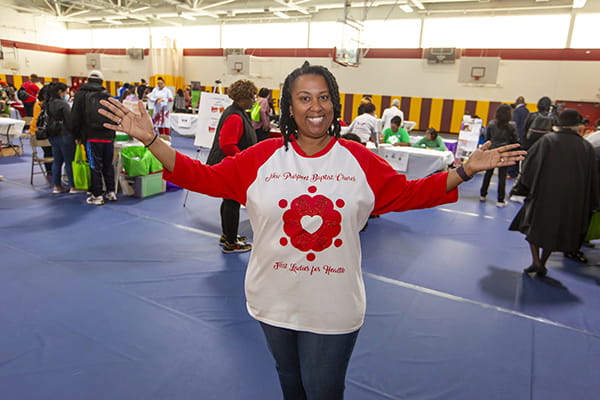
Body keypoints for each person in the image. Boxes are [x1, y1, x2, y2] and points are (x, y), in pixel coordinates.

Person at [98, 61, 524, 400]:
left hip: (333, 304)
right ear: (289, 106)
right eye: (304, 98)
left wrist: (465, 169)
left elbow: (410, 193)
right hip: (272, 299)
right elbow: (201, 177)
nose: (314, 107)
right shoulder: (261, 157)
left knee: (323, 390)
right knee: (289, 380)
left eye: (323, 97)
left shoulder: (358, 160)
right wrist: (154, 139)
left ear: (335, 105)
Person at [509, 109, 598, 277]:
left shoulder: (547, 141)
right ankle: (542, 261)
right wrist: (592, 202)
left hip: (544, 195)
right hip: (572, 200)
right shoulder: (586, 147)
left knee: (532, 228)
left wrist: (521, 187)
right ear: (578, 126)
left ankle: (535, 261)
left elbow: (530, 166)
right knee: (554, 233)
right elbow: (592, 178)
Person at [207, 79, 258, 253]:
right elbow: (227, 144)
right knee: (232, 202)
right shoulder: (235, 116)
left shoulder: (236, 112)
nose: (254, 100)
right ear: (244, 98)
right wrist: (243, 160)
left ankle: (227, 235)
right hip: (230, 166)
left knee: (229, 201)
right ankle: (230, 242)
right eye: (252, 97)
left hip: (228, 164)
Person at [71, 70, 115, 206]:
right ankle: (111, 191)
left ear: (87, 80)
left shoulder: (81, 95)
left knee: (94, 166)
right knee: (108, 164)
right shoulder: (107, 95)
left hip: (91, 136)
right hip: (108, 135)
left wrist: (77, 135)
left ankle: (97, 195)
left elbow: (75, 118)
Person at [479, 104, 518, 207]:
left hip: (492, 151)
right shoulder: (511, 126)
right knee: (502, 177)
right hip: (504, 152)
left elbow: (488, 138)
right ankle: (500, 200)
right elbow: (515, 140)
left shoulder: (491, 124)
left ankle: (483, 194)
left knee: (488, 174)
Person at [46, 82, 79, 194]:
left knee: (57, 161)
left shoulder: (47, 103)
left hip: (52, 135)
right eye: (65, 91)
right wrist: (76, 134)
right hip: (65, 135)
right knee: (69, 162)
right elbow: (69, 121)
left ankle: (57, 186)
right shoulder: (63, 104)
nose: (67, 94)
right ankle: (73, 186)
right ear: (60, 92)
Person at [30, 84, 53, 180]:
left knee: (51, 152)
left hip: (41, 131)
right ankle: (50, 171)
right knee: (49, 152)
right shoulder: (40, 105)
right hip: (39, 132)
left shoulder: (40, 104)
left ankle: (51, 171)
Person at [508, 96, 530, 179]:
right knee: (521, 156)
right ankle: (519, 173)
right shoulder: (527, 111)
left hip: (516, 136)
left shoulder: (517, 111)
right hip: (524, 137)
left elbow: (514, 124)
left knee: (513, 155)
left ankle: (512, 173)